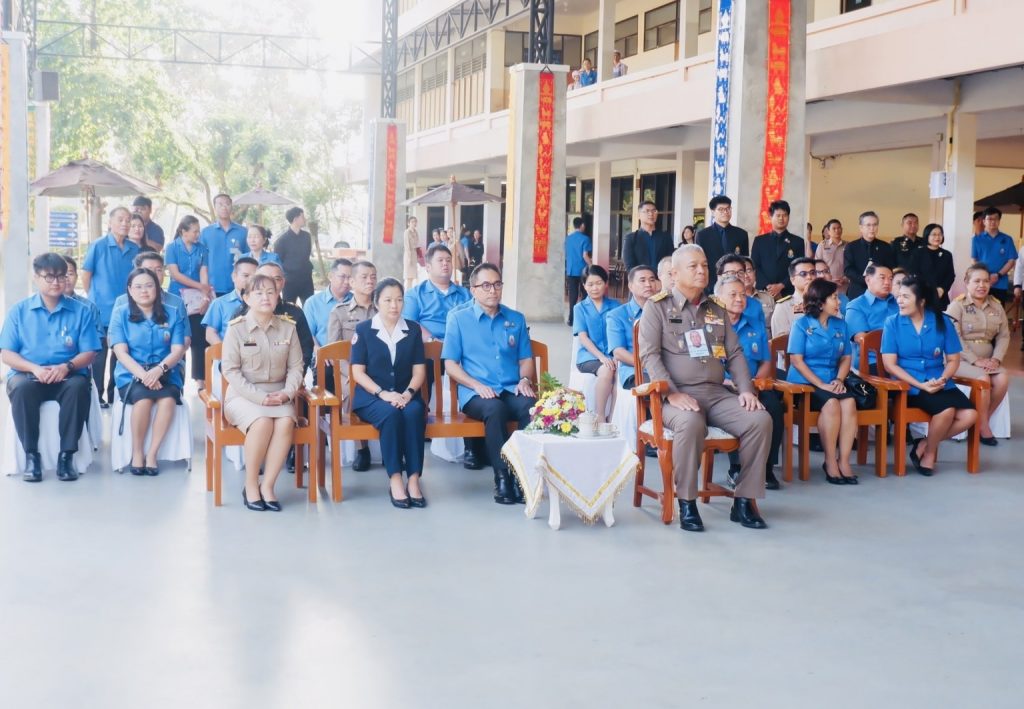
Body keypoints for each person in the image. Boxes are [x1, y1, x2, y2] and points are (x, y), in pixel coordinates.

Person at [638, 244, 771, 532]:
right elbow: (649, 356)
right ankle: (687, 502)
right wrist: (671, 393)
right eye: (693, 266)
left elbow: (735, 353)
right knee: (690, 422)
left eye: (705, 265)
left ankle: (744, 500)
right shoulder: (657, 307)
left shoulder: (715, 308)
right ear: (674, 273)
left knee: (759, 420)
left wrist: (746, 389)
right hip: (676, 396)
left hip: (716, 392)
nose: (701, 271)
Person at [0, 253, 100, 482]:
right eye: (49, 277)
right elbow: (7, 354)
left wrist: (67, 366)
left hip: (68, 374)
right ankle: (32, 457)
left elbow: (90, 352)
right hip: (29, 374)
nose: (56, 282)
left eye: (61, 277)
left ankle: (66, 457)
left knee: (78, 388)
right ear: (36, 277)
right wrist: (34, 368)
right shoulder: (19, 311)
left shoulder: (81, 311)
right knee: (21, 388)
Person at [442, 263, 537, 505]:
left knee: (531, 407)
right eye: (485, 285)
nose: (492, 290)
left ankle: (520, 474)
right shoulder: (458, 318)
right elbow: (450, 364)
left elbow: (525, 358)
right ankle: (502, 477)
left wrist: (525, 379)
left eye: (497, 284)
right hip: (476, 393)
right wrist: (475, 384)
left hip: (510, 387)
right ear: (473, 289)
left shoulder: (515, 318)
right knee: (495, 410)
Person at [222, 274, 304, 511]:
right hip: (243, 396)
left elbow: (296, 366)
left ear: (278, 295)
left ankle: (268, 486)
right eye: (258, 293)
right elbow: (231, 371)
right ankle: (250, 485)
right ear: (246, 298)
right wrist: (260, 398)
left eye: (270, 291)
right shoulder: (236, 330)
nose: (266, 297)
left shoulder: (288, 328)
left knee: (287, 421)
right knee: (262, 422)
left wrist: (287, 394)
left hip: (279, 394)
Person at [882, 275, 977, 476]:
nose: (899, 300)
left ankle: (923, 444)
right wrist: (921, 384)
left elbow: (953, 360)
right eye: (898, 296)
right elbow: (889, 365)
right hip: (908, 384)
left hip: (939, 381)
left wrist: (943, 378)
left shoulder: (942, 322)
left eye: (905, 297)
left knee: (970, 415)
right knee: (947, 411)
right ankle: (930, 453)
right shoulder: (893, 323)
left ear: (922, 301)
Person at [350, 278, 428, 508]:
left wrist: (408, 394)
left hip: (406, 395)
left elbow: (419, 371)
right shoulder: (364, 330)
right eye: (388, 300)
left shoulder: (412, 329)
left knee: (413, 414)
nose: (394, 305)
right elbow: (358, 373)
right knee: (391, 415)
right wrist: (383, 394)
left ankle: (413, 479)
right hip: (371, 397)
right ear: (376, 303)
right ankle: (395, 478)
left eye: (399, 300)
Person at [108, 267, 187, 476]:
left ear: (158, 288)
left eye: (149, 285)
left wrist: (159, 370)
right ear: (130, 291)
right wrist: (145, 376)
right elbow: (120, 352)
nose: (144, 291)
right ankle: (137, 453)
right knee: (142, 400)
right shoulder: (120, 313)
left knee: (168, 400)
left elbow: (178, 349)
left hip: (166, 371)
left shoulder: (173, 312)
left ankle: (152, 453)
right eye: (138, 287)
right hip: (131, 373)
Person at [715, 274, 784, 490]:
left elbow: (765, 360)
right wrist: (734, 384)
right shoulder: (711, 326)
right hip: (724, 386)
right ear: (718, 298)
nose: (739, 299)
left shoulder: (754, 324)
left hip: (755, 383)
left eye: (742, 294)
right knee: (741, 407)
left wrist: (754, 383)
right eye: (733, 295)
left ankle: (767, 468)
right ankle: (737, 467)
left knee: (773, 405)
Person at [786, 278, 859, 484]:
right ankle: (830, 461)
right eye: (834, 298)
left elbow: (846, 357)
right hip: (804, 382)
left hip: (832, 379)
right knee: (832, 403)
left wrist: (838, 379)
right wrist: (821, 385)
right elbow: (797, 361)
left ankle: (844, 460)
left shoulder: (840, 324)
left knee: (849, 402)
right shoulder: (801, 324)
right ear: (820, 302)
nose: (839, 302)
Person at [81, 206, 141, 407]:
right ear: (110, 222)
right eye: (120, 220)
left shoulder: (135, 249)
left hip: (126, 310)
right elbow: (86, 275)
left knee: (121, 354)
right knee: (99, 356)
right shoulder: (98, 245)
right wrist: (93, 298)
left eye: (128, 220)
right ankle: (97, 396)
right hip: (101, 310)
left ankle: (116, 394)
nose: (125, 223)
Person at [946, 264, 1010, 446]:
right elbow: (954, 337)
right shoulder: (957, 305)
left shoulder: (996, 306)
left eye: (986, 281)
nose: (982, 285)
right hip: (960, 359)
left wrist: (996, 359)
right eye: (977, 281)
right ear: (967, 283)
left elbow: (1004, 335)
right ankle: (983, 428)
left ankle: (983, 420)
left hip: (989, 360)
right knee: (984, 380)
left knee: (1003, 377)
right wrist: (976, 360)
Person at [327, 260, 378, 472]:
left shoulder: (383, 309)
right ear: (353, 282)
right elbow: (333, 354)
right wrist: (354, 374)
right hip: (350, 372)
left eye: (373, 277)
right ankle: (362, 449)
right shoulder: (339, 313)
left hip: (381, 371)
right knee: (351, 389)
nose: (369, 281)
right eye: (364, 277)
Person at [165, 215, 214, 389]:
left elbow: (204, 271)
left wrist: (205, 295)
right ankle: (177, 379)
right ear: (183, 231)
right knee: (179, 338)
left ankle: (201, 380)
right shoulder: (172, 248)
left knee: (199, 338)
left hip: (197, 299)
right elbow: (175, 274)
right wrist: (201, 287)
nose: (198, 234)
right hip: (177, 298)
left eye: (198, 231)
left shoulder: (202, 248)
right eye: (194, 231)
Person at [573, 265, 620, 423]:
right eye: (590, 284)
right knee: (607, 370)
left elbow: (620, 335)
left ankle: (612, 417)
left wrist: (615, 356)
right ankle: (600, 416)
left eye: (599, 283)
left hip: (612, 354)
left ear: (606, 283)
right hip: (589, 357)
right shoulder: (579, 308)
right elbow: (583, 338)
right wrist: (601, 357)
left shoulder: (616, 306)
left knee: (621, 373)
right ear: (584, 285)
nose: (594, 288)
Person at [607, 265, 659, 390]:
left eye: (652, 280)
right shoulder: (617, 315)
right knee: (655, 388)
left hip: (663, 368)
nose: (648, 284)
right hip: (635, 370)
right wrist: (648, 366)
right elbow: (618, 352)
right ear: (630, 286)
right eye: (642, 280)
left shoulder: (663, 311)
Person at [255, 262, 314, 373]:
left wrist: (292, 382)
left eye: (276, 279)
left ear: (283, 283)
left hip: (287, 381)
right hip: (248, 384)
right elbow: (229, 361)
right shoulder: (242, 313)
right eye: (265, 278)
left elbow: (306, 351)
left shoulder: (295, 313)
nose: (271, 283)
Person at [844, 263, 897, 373]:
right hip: (874, 361)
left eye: (890, 279)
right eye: (882, 278)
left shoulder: (898, 303)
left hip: (903, 360)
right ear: (868, 280)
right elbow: (862, 339)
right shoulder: (856, 305)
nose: (887, 282)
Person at [751, 199, 806, 299]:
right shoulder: (759, 241)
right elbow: (755, 266)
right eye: (778, 215)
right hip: (763, 292)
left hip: (789, 292)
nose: (781, 218)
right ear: (771, 217)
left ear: (788, 217)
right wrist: (769, 287)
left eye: (784, 215)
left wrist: (781, 286)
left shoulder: (798, 242)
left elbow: (799, 268)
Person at [696, 195, 749, 293]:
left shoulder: (741, 234)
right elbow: (701, 262)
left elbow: (744, 262)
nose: (725, 212)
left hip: (735, 286)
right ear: (712, 212)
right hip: (710, 286)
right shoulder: (702, 235)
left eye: (728, 209)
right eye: (721, 209)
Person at [200, 193, 248, 297]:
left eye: (227, 204)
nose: (224, 207)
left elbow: (249, 258)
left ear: (231, 207)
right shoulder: (205, 233)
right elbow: (202, 262)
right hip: (213, 287)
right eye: (220, 204)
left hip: (238, 286)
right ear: (214, 207)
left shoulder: (243, 232)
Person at [203, 257, 259, 345]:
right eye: (246, 276)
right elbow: (210, 334)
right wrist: (226, 353)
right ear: (234, 276)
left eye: (255, 277)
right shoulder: (219, 303)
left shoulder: (262, 302)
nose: (250, 280)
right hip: (227, 355)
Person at [302, 258, 353, 348]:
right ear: (330, 276)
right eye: (342, 276)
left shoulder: (356, 301)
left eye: (350, 278)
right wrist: (320, 352)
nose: (346, 282)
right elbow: (308, 334)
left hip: (351, 358)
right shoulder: (313, 303)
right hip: (323, 356)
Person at [971, 207, 1016, 304]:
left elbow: (1011, 261)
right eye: (989, 219)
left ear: (999, 221)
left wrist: (998, 275)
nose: (993, 222)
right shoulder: (977, 239)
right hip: (981, 284)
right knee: (980, 312)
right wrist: (985, 276)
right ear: (984, 221)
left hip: (1000, 283)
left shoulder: (1007, 239)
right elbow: (974, 260)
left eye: (996, 219)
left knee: (998, 313)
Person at [844, 211, 894, 299]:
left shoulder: (885, 247)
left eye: (875, 225)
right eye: (868, 225)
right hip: (857, 292)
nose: (872, 228)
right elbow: (848, 270)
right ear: (861, 227)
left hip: (879, 292)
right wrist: (868, 281)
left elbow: (889, 269)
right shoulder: (851, 246)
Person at [273, 206, 315, 305]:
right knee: (289, 309)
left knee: (310, 306)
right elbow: (278, 262)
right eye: (302, 217)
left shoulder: (307, 237)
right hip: (290, 281)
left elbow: (307, 255)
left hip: (306, 279)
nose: (305, 219)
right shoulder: (281, 241)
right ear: (295, 219)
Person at [911, 223, 956, 310]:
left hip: (941, 296)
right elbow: (914, 273)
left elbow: (950, 275)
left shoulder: (947, 255)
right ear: (927, 235)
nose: (937, 237)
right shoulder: (918, 253)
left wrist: (942, 289)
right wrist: (928, 290)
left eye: (940, 234)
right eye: (934, 234)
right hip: (922, 295)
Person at [771, 257, 817, 339]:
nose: (809, 277)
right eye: (803, 274)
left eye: (813, 273)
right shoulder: (783, 307)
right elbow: (781, 343)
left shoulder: (825, 302)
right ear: (792, 280)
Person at [623, 201, 674, 270]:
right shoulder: (631, 238)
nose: (651, 214)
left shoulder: (665, 237)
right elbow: (629, 266)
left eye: (654, 211)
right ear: (639, 215)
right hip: (640, 279)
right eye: (647, 211)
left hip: (661, 279)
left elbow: (670, 260)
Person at [565, 216, 593, 326]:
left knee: (573, 296)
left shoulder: (568, 238)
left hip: (571, 270)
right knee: (585, 295)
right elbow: (585, 255)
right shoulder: (585, 239)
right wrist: (591, 265)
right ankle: (582, 319)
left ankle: (571, 319)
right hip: (583, 271)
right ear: (582, 225)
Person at [815, 219, 849, 295]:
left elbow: (852, 264)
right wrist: (829, 279)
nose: (837, 230)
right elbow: (817, 265)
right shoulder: (822, 245)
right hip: (826, 285)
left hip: (844, 286)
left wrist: (845, 279)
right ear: (828, 231)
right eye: (834, 228)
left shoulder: (848, 246)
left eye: (839, 228)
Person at [403, 215, 423, 290]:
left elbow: (417, 244)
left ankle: (410, 292)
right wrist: (409, 258)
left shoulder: (416, 232)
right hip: (409, 254)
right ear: (408, 223)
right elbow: (407, 246)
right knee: (408, 277)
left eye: (415, 222)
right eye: (412, 222)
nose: (414, 223)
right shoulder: (407, 232)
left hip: (414, 254)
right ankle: (407, 293)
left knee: (413, 276)